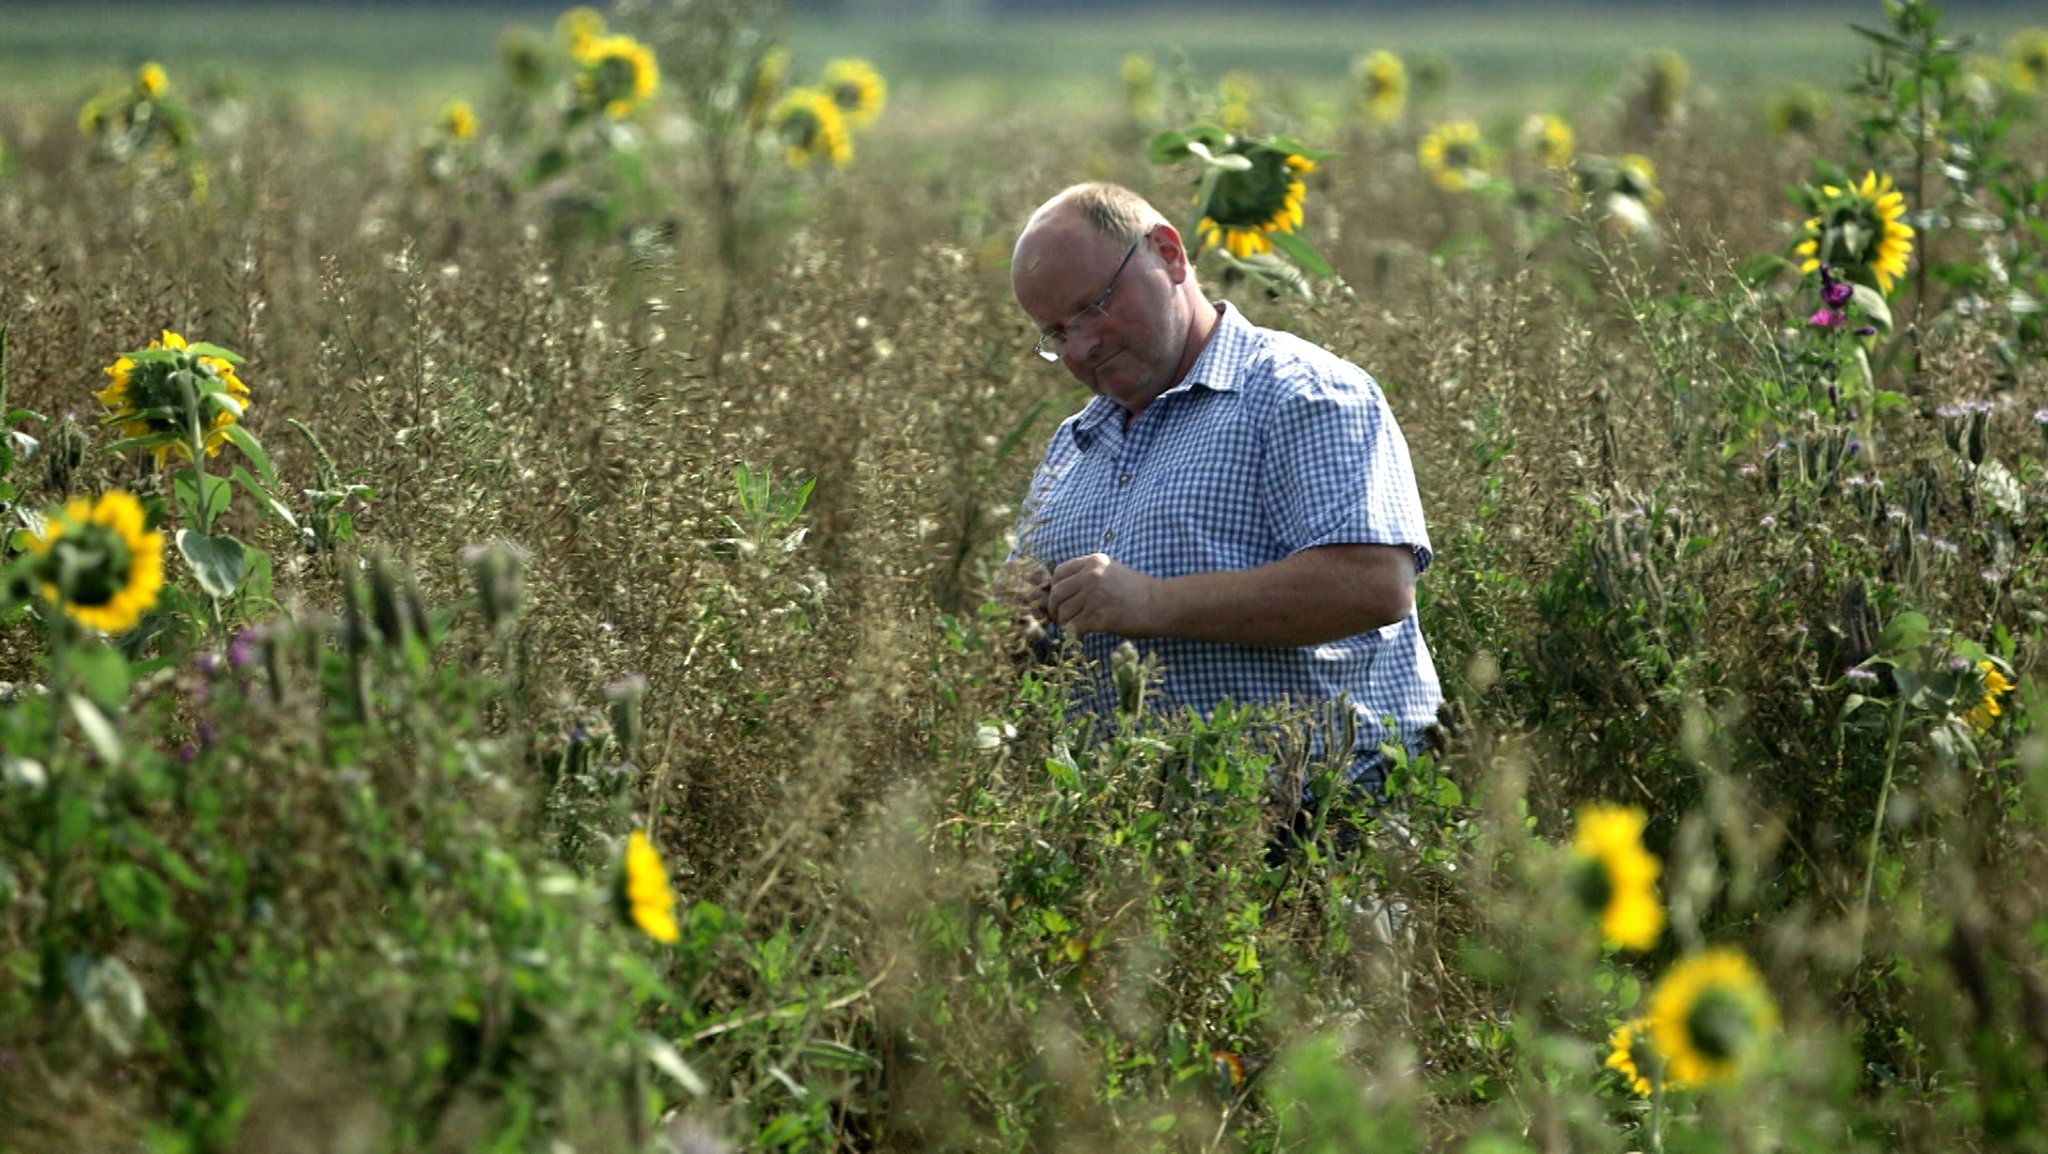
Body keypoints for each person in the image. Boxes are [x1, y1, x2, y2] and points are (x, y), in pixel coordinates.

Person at [1003, 181, 1442, 794]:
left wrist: (1153, 604)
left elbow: (1375, 584)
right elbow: (1024, 643)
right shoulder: (1074, 445)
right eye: (1055, 333)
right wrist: (1022, 625)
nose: (1081, 347)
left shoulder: (1302, 394)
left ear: (1168, 253)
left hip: (1319, 819)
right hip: (1142, 847)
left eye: (1093, 307)